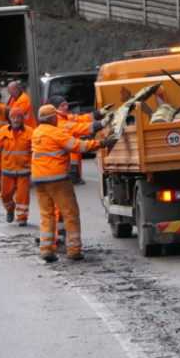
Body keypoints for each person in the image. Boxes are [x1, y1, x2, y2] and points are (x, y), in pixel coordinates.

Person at [32, 104, 115, 262]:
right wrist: (101, 144)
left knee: (47, 215)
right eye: (55, 116)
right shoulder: (56, 133)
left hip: (39, 180)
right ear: (52, 118)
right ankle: (74, 250)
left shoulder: (37, 133)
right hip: (57, 179)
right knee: (70, 213)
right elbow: (79, 146)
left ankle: (46, 249)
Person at [0, 108, 33, 226]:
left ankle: (22, 217)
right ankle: (10, 209)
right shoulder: (3, 131)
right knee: (5, 195)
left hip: (24, 171)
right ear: (10, 119)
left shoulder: (30, 132)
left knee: (23, 197)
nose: (16, 120)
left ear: (23, 119)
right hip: (7, 171)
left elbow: (35, 150)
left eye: (19, 117)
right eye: (13, 117)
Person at [48, 95, 106, 185]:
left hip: (73, 158)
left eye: (66, 104)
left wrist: (99, 113)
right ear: (55, 108)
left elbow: (82, 119)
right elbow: (78, 128)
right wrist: (100, 124)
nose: (66, 107)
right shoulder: (59, 122)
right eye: (62, 105)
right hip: (67, 163)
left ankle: (76, 177)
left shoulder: (66, 117)